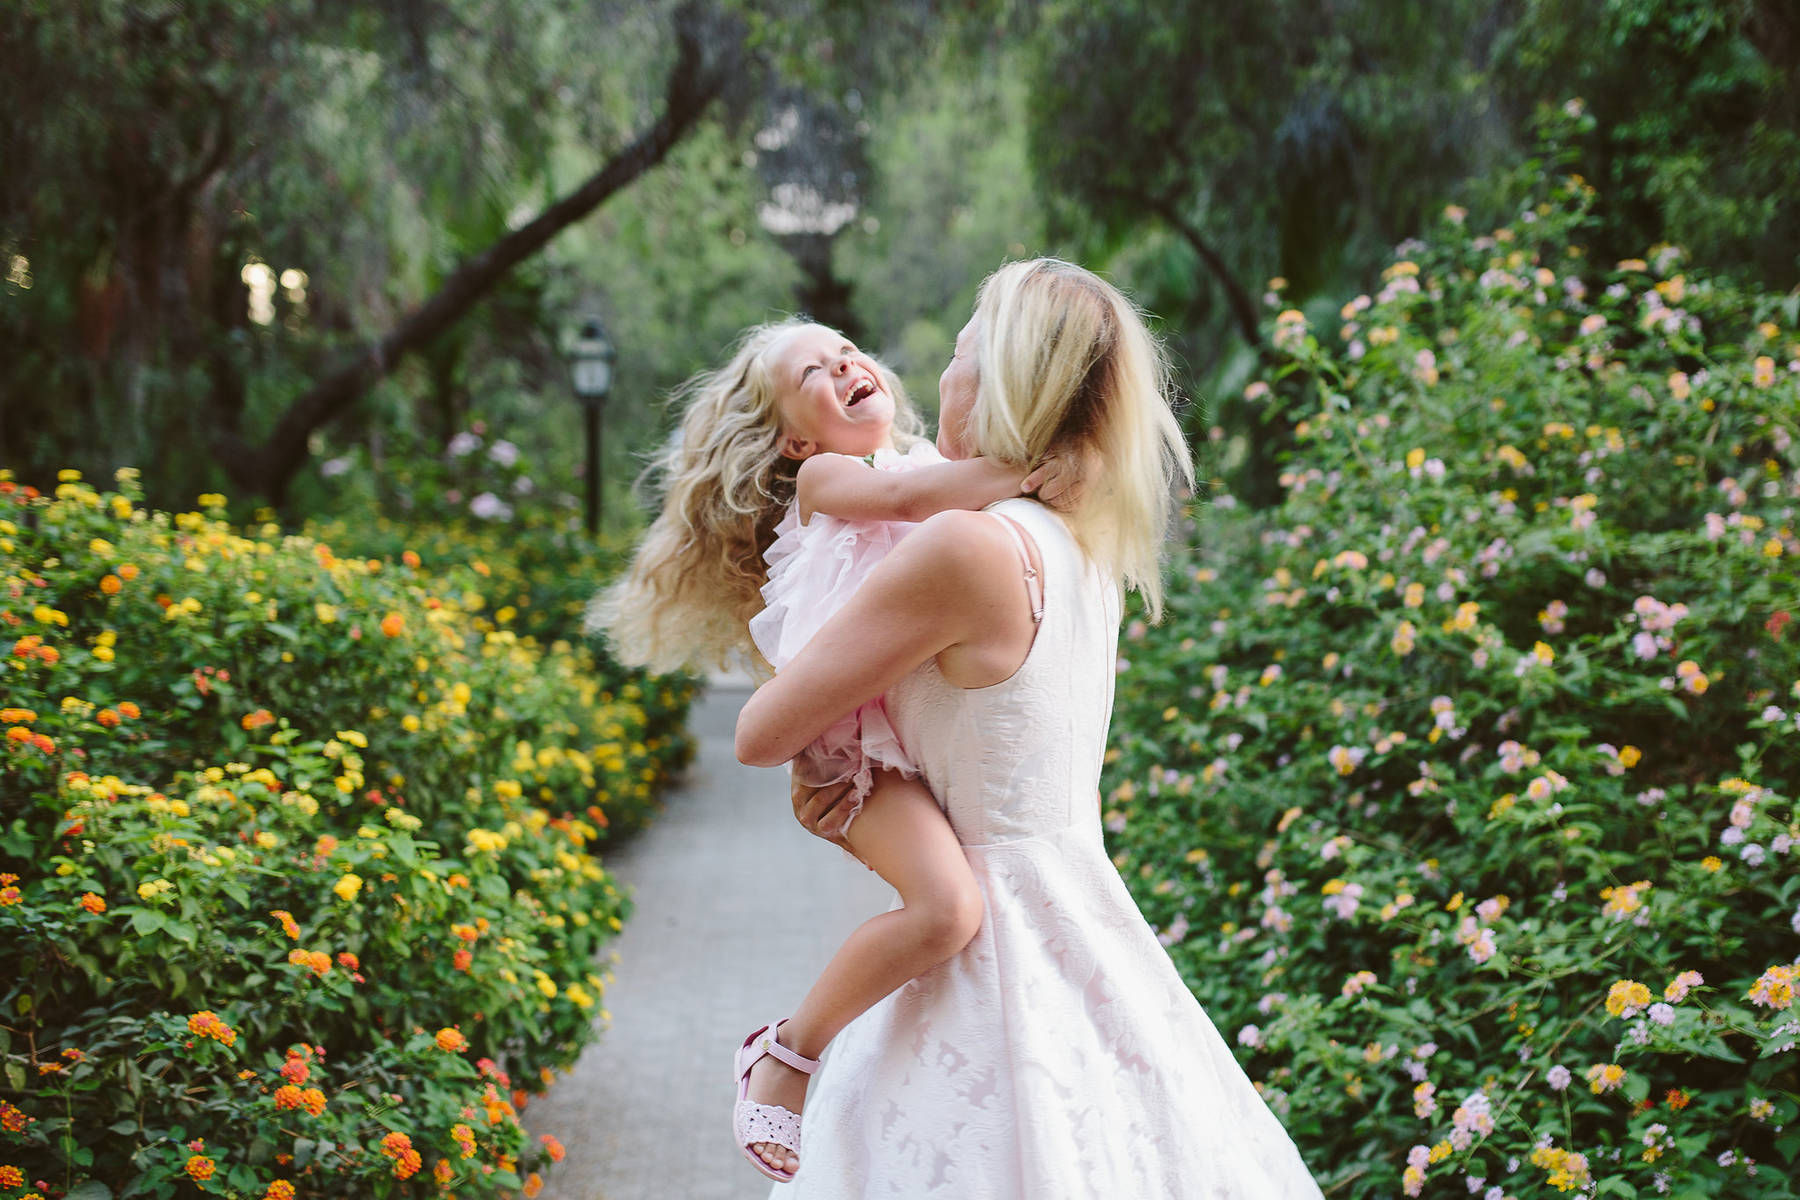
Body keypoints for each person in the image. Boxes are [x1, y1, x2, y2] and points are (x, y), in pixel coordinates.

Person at [735, 259, 1326, 1197]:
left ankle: (785, 1053)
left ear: (1001, 378)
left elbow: (762, 731)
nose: (941, 370)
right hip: (1082, 911)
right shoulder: (1080, 535)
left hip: (988, 952)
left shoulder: (970, 543)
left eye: (965, 346)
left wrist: (827, 768)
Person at [591, 318, 1074, 1182]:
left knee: (956, 912)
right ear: (794, 437)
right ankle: (788, 1053)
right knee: (947, 911)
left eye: (848, 350)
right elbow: (903, 506)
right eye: (815, 371)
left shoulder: (926, 469)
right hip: (845, 757)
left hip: (908, 741)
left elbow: (935, 503)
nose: (846, 364)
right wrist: (1029, 475)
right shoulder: (829, 477)